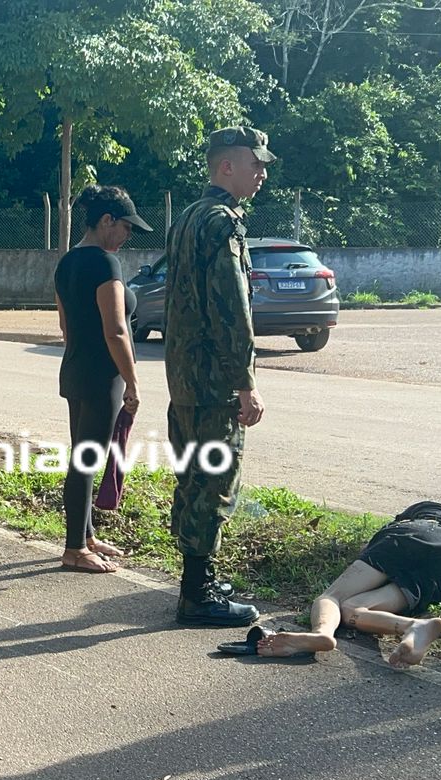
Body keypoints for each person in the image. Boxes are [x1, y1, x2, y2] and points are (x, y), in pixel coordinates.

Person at [162, 126, 278, 627]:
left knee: (191, 477)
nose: (262, 173)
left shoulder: (187, 217)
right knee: (215, 483)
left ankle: (195, 580)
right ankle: (197, 595)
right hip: (213, 383)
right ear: (227, 165)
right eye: (256, 163)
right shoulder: (222, 222)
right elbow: (232, 307)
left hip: (184, 378)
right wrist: (245, 381)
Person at [221, 501, 441, 667]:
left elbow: (383, 537)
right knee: (353, 610)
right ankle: (414, 627)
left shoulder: (421, 513)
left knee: (334, 597)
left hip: (412, 536)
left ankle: (323, 633)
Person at [53, 185, 152, 573]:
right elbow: (116, 330)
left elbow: (64, 326)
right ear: (106, 220)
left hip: (75, 368)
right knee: (87, 459)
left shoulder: (66, 263)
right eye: (126, 227)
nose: (128, 237)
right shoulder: (105, 264)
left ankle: (87, 535)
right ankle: (74, 548)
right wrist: (132, 380)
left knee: (83, 454)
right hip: (102, 375)